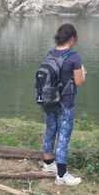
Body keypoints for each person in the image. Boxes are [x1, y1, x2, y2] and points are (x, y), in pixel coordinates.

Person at [39, 24, 85, 186]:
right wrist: (83, 72)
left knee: (50, 130)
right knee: (64, 135)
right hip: (65, 101)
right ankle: (61, 175)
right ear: (72, 39)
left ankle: (48, 164)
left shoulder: (50, 53)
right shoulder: (74, 57)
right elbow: (79, 81)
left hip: (49, 99)